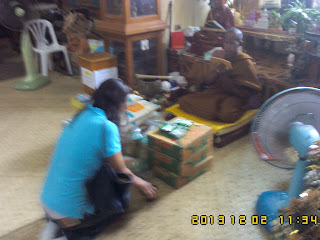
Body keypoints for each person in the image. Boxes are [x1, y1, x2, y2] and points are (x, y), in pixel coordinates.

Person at [39, 78, 157, 240]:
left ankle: (55, 224)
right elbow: (120, 170)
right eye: (125, 102)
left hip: (47, 201)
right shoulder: (106, 127)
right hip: (70, 213)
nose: (126, 106)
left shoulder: (83, 113)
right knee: (117, 206)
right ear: (118, 105)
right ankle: (67, 233)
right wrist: (143, 184)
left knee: (101, 170)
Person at [179, 28, 261, 123]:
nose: (228, 46)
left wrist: (226, 76)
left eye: (232, 43)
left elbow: (247, 92)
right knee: (184, 101)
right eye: (226, 42)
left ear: (240, 43)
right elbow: (207, 82)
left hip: (234, 97)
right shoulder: (218, 54)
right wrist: (215, 72)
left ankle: (214, 112)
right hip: (216, 93)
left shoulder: (245, 62)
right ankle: (214, 112)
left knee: (227, 114)